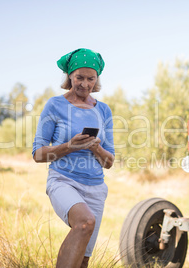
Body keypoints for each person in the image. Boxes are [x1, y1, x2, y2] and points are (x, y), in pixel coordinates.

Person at [32, 48, 115, 268]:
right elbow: (37, 154)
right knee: (85, 223)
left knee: (83, 260)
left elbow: (109, 161)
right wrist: (69, 146)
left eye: (91, 78)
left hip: (96, 188)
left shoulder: (104, 111)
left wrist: (95, 147)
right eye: (79, 77)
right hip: (63, 180)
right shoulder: (55, 105)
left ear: (97, 79)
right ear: (70, 76)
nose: (85, 84)